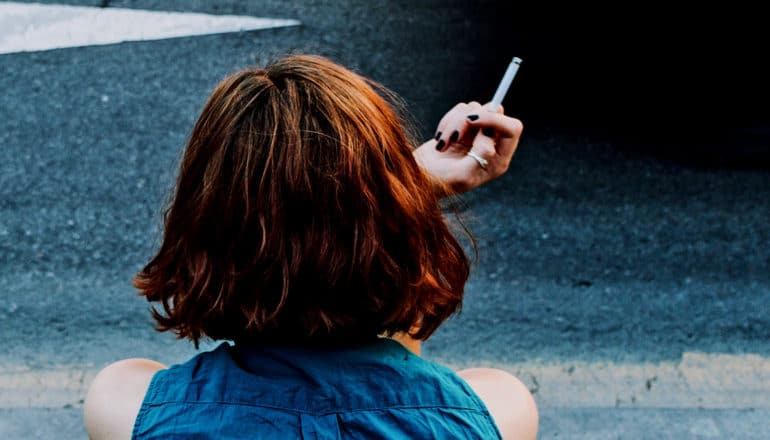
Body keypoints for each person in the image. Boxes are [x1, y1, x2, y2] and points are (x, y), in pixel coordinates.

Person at [83, 54, 537, 439]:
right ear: (399, 238)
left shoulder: (129, 405)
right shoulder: (492, 411)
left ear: (204, 224)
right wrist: (406, 195)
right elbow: (403, 372)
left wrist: (397, 194)